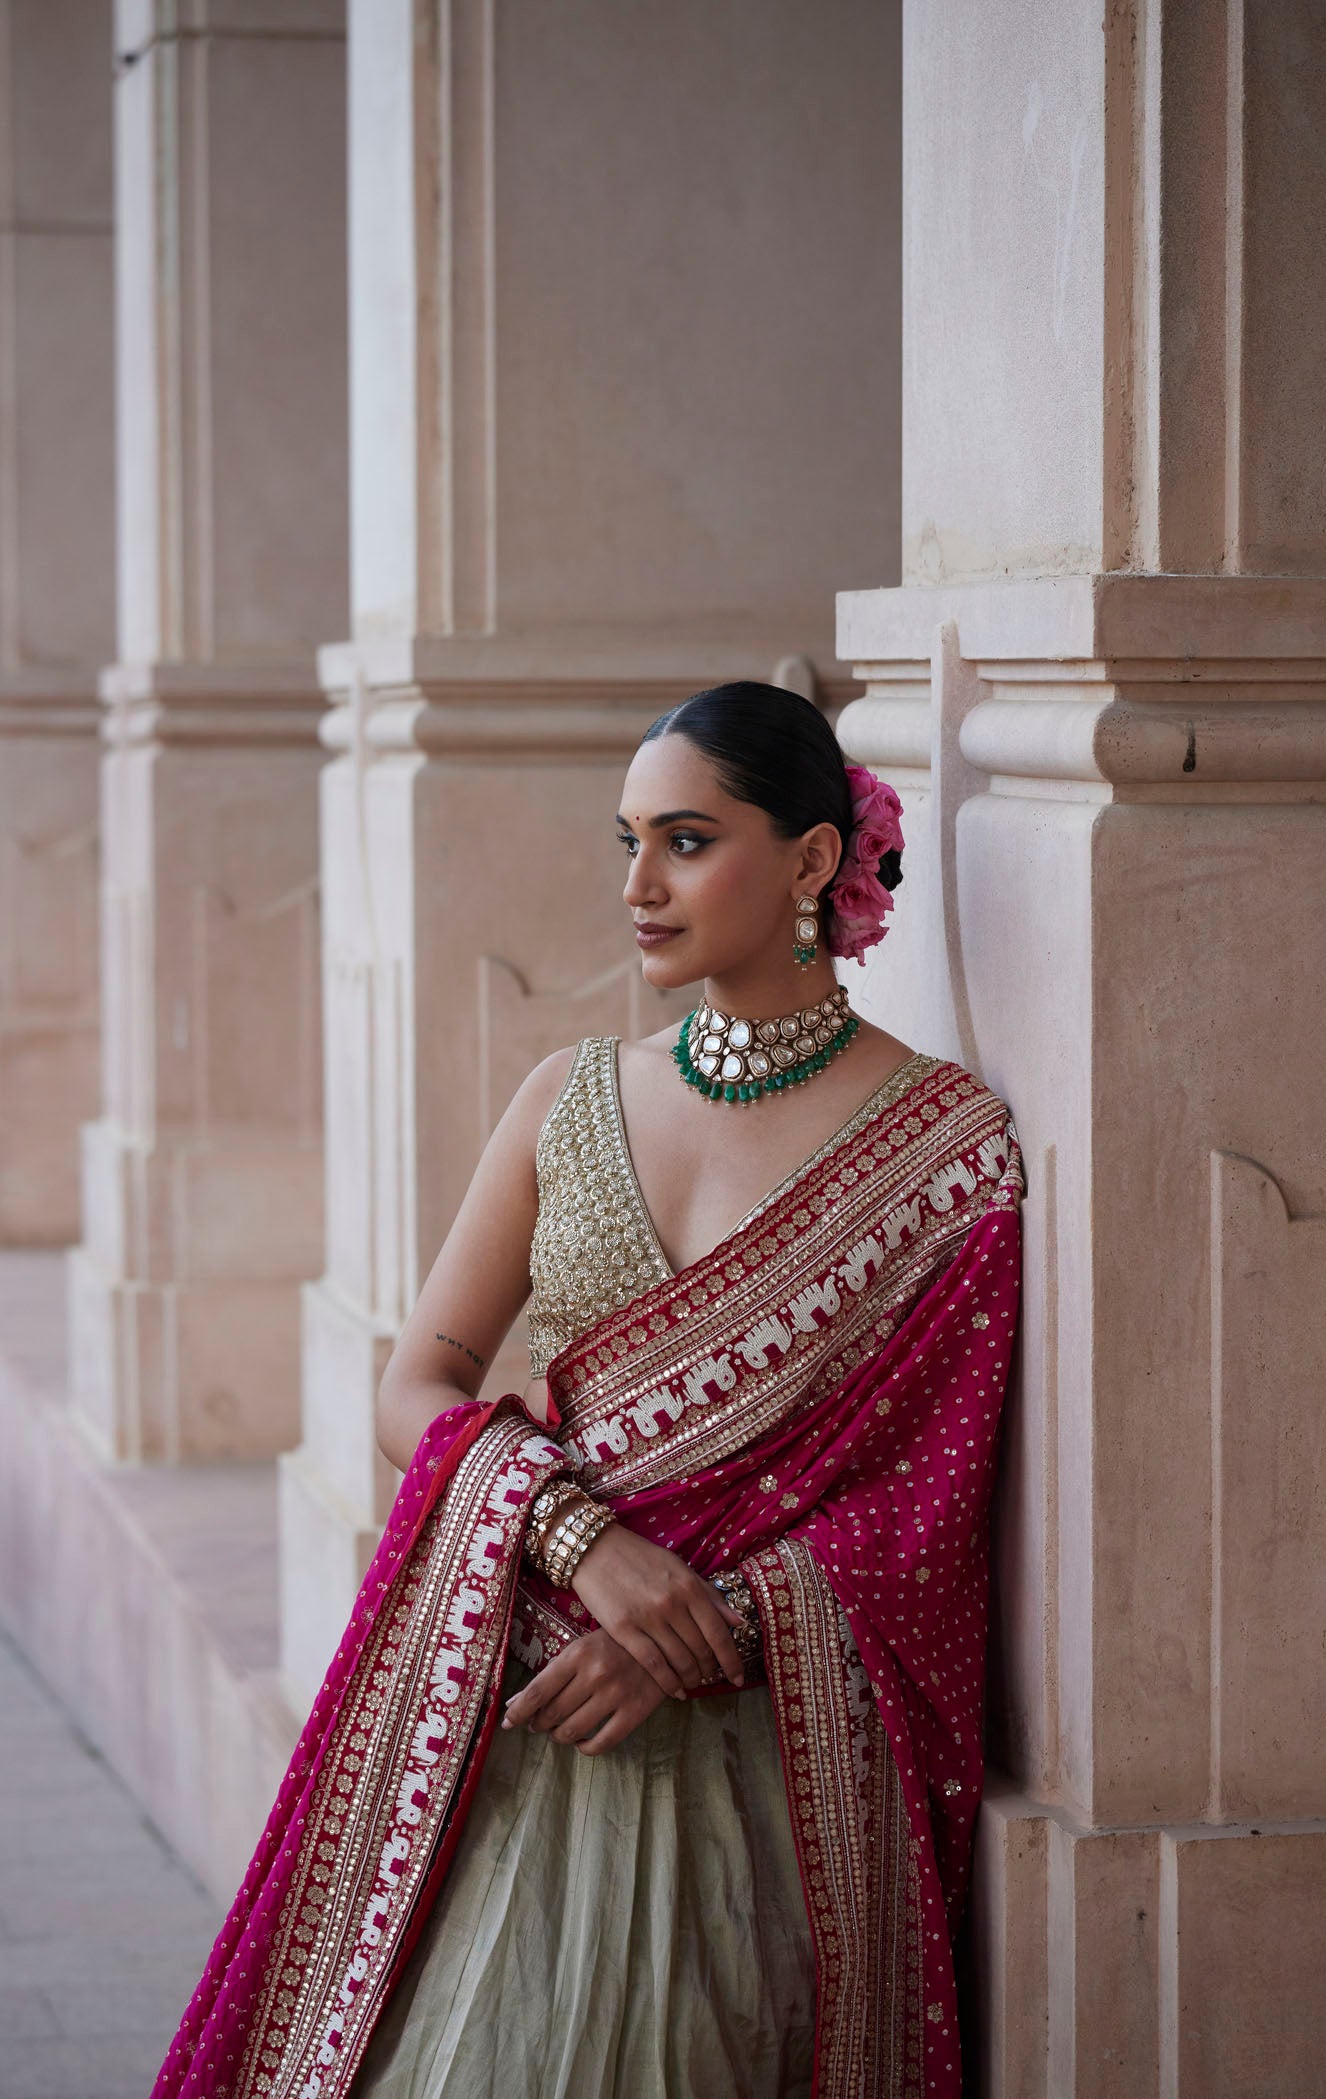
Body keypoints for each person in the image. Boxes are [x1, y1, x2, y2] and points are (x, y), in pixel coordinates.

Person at [151, 682, 1022, 2099]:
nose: (637, 886)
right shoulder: (570, 1094)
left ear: (812, 861)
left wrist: (704, 1629)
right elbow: (418, 1376)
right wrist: (577, 1542)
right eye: (627, 841)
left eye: (685, 840)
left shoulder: (943, 1156)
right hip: (520, 1705)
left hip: (761, 1769)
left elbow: (923, 1509)